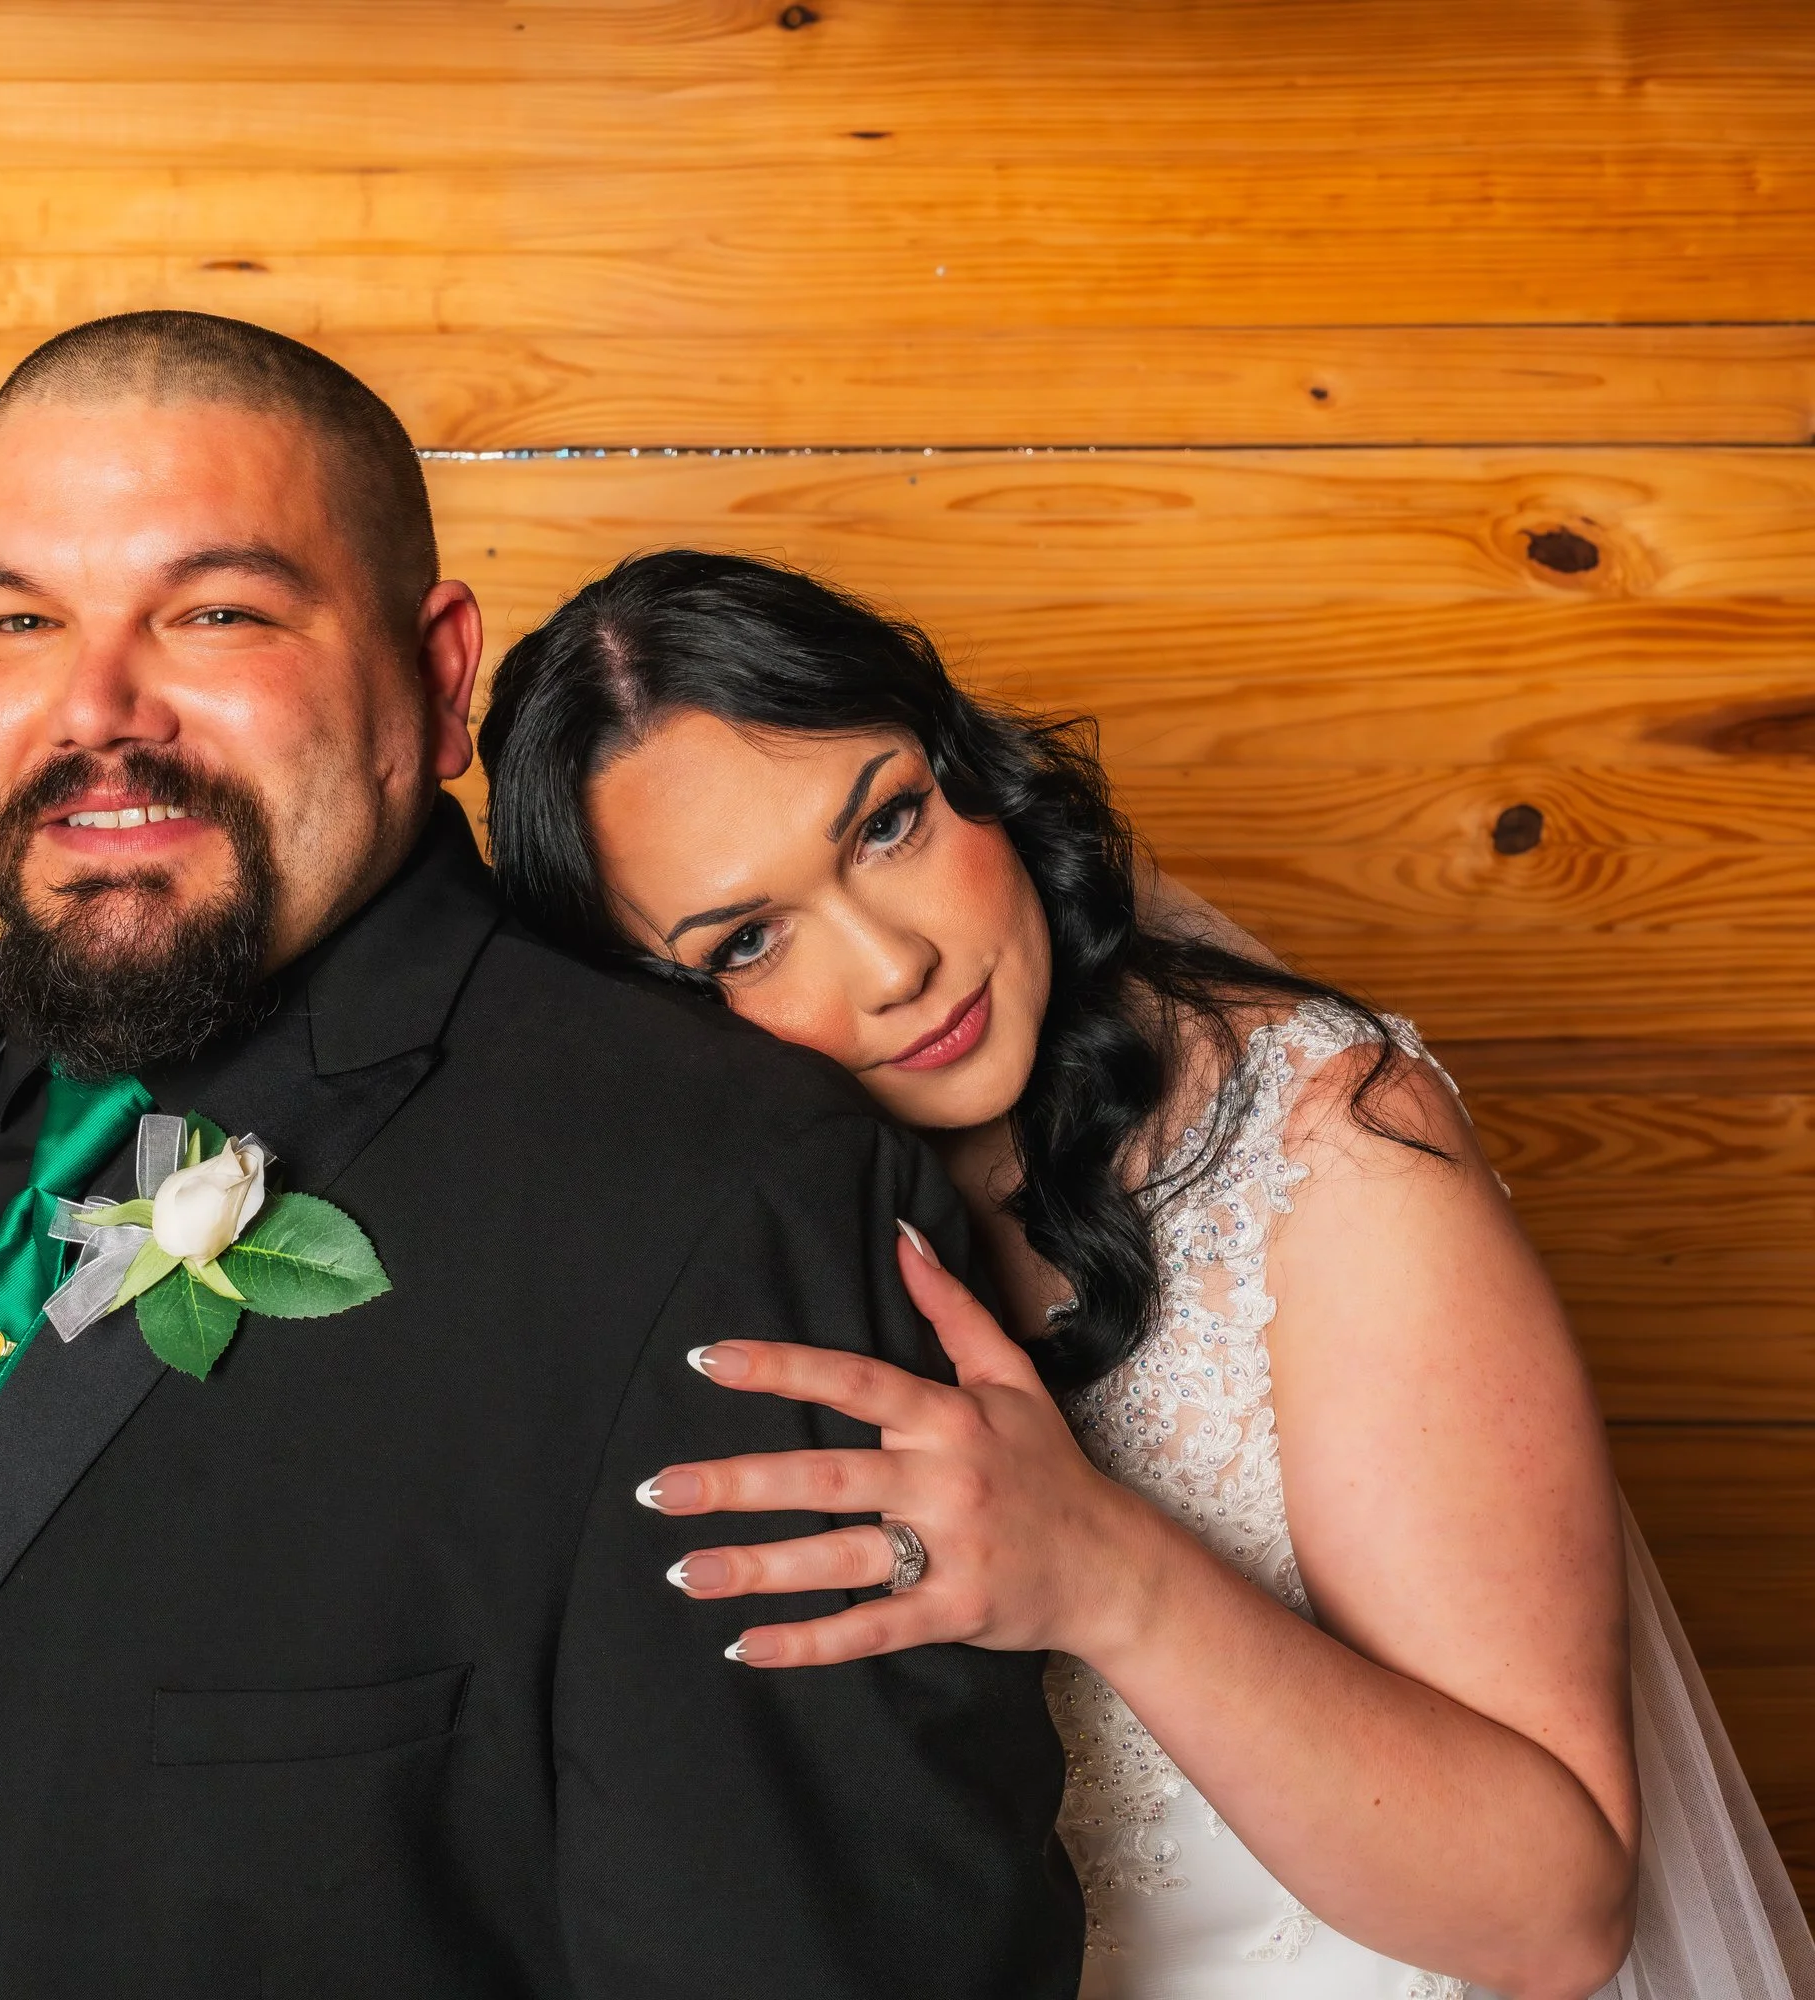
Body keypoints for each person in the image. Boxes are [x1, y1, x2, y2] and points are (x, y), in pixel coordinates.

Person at [0, 320, 1084, 1997]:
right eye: (17, 621)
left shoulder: (718, 1188)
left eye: (213, 611)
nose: (97, 711)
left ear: (439, 678)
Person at [478, 550, 1815, 2000]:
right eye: (747, 940)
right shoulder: (717, 1266)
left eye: (888, 825)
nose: (895, 963)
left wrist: (1103, 1574)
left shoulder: (1333, 1148)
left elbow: (1556, 1916)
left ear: (969, 772)